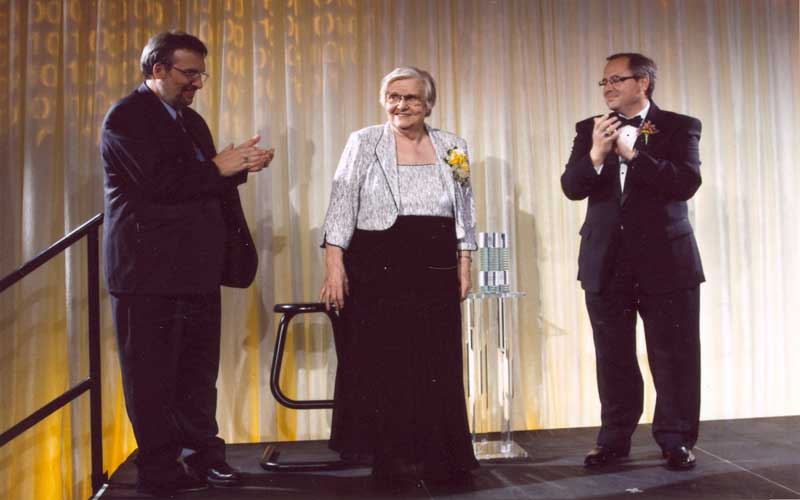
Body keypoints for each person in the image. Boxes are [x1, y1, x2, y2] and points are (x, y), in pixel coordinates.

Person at [101, 31, 274, 496]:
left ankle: (205, 457)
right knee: (151, 376)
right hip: (147, 274)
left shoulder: (192, 122)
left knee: (197, 373)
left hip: (196, 269)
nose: (197, 82)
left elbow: (199, 185)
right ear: (157, 70)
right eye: (189, 73)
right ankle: (160, 469)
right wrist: (221, 166)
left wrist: (240, 166)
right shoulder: (126, 117)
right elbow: (158, 183)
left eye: (200, 73)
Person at [319, 67, 479, 483]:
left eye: (410, 98)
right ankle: (388, 455)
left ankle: (438, 454)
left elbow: (464, 204)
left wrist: (466, 260)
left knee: (435, 360)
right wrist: (334, 265)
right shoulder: (363, 141)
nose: (401, 105)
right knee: (383, 361)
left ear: (428, 104)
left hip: (435, 261)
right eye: (393, 96)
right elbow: (341, 203)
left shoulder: (452, 146)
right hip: (377, 262)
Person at [561, 53, 704, 470]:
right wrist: (596, 154)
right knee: (613, 356)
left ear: (643, 82)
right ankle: (613, 440)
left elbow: (684, 183)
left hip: (666, 261)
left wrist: (632, 154)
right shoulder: (590, 129)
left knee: (673, 353)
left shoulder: (680, 126)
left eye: (616, 80)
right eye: (603, 82)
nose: (607, 88)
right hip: (607, 261)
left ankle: (676, 440)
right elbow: (572, 187)